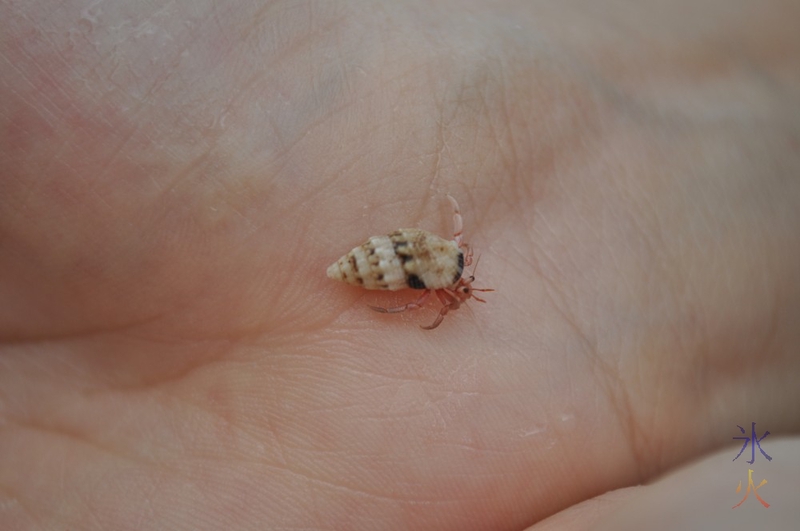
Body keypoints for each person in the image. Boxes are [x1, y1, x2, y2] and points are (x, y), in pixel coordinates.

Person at [1, 1, 798, 529]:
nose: (464, 294)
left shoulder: (445, 268)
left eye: (459, 291)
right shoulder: (440, 271)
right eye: (460, 289)